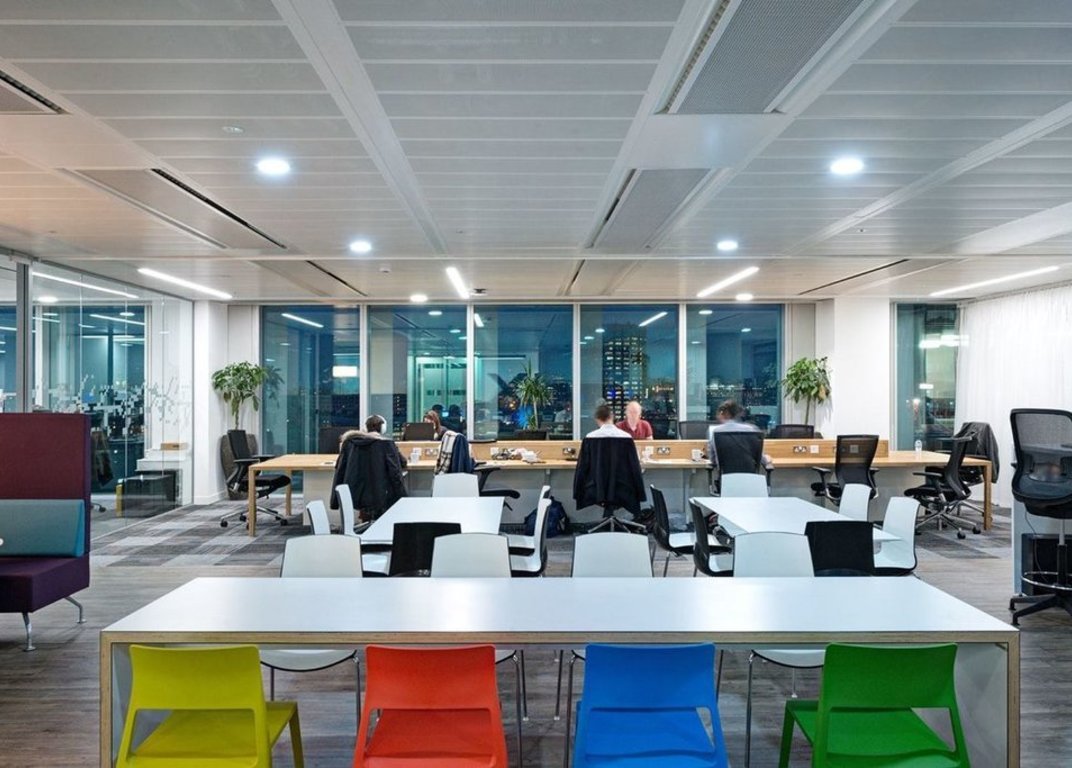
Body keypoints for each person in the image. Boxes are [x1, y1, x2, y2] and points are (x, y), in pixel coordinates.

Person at [707, 399, 773, 471]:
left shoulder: (716, 431)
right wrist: (767, 459)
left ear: (724, 413)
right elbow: (760, 458)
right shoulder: (752, 429)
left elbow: (713, 459)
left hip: (726, 476)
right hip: (749, 476)